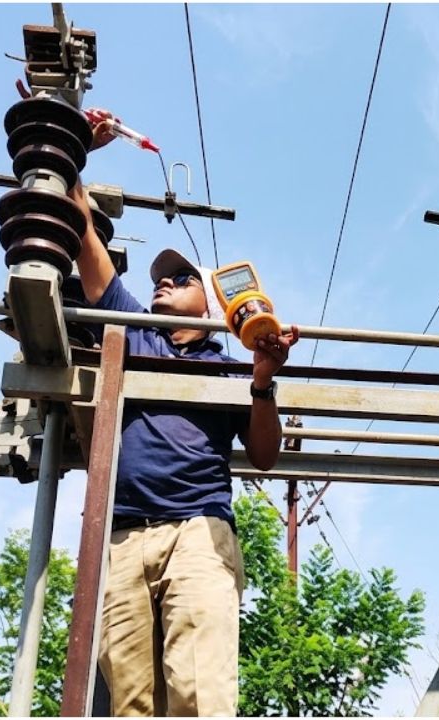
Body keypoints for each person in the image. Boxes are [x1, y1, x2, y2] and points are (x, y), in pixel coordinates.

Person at [68, 116, 299, 716]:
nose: (164, 283)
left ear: (218, 303)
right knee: (130, 704)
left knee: (202, 697)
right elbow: (84, 239)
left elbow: (267, 456)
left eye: (181, 278)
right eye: (159, 280)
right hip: (121, 535)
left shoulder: (228, 366)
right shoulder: (134, 332)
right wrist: (72, 153)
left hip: (199, 533)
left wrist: (263, 381)